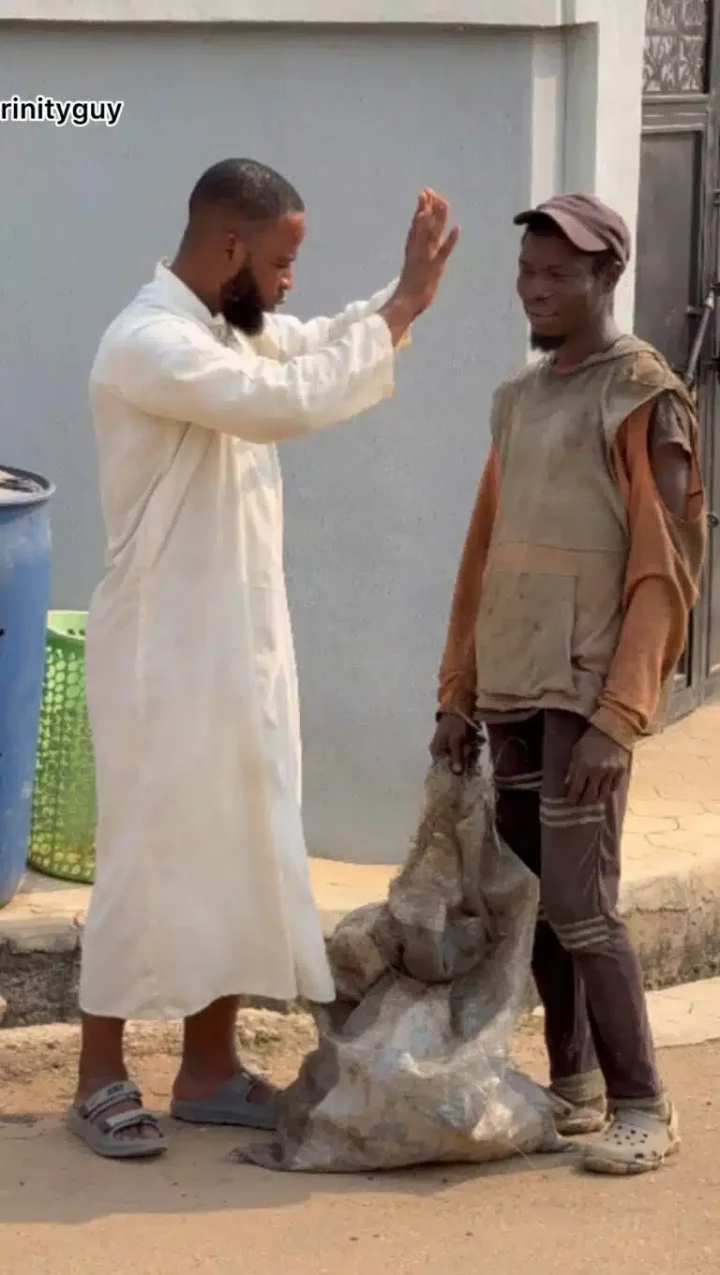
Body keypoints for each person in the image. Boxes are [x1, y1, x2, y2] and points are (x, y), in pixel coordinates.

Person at [70, 158, 458, 1159]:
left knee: (239, 847)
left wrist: (396, 299)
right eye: (282, 262)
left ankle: (207, 1072)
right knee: (144, 860)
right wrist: (401, 306)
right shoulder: (148, 343)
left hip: (239, 650)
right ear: (229, 247)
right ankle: (100, 1076)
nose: (289, 283)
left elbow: (314, 343)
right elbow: (279, 398)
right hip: (162, 656)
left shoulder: (223, 332)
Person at [431, 193, 707, 1176]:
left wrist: (621, 715)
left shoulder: (643, 396)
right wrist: (456, 691)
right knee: (528, 897)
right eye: (528, 275)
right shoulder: (519, 399)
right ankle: (575, 1084)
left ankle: (645, 1102)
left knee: (583, 904)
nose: (539, 290)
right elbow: (483, 554)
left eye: (560, 275)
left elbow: (665, 566)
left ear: (606, 280)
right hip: (510, 682)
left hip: (586, 692)